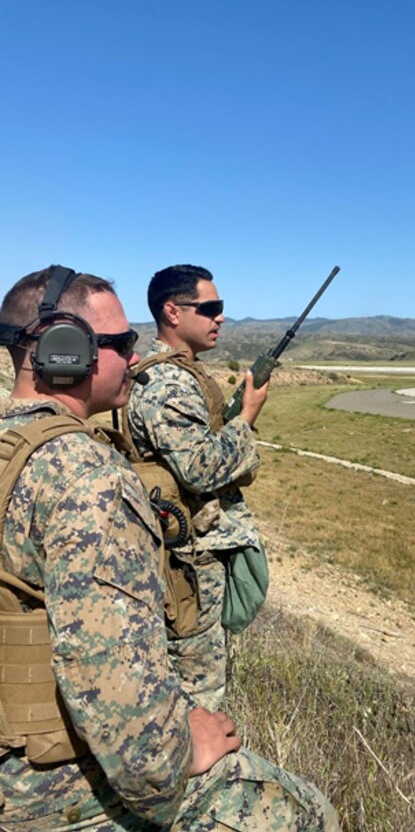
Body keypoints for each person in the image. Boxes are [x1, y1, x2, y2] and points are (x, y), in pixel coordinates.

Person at [0, 265, 339, 832]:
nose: (133, 358)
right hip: (49, 791)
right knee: (306, 814)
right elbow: (111, 688)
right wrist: (180, 758)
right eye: (118, 344)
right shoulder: (87, 478)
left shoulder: (14, 447)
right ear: (65, 352)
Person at [124, 264, 267, 711]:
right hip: (188, 566)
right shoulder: (168, 383)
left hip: (189, 557)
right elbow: (201, 470)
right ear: (172, 312)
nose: (220, 318)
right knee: (197, 696)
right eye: (210, 308)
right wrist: (246, 418)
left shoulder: (178, 375)